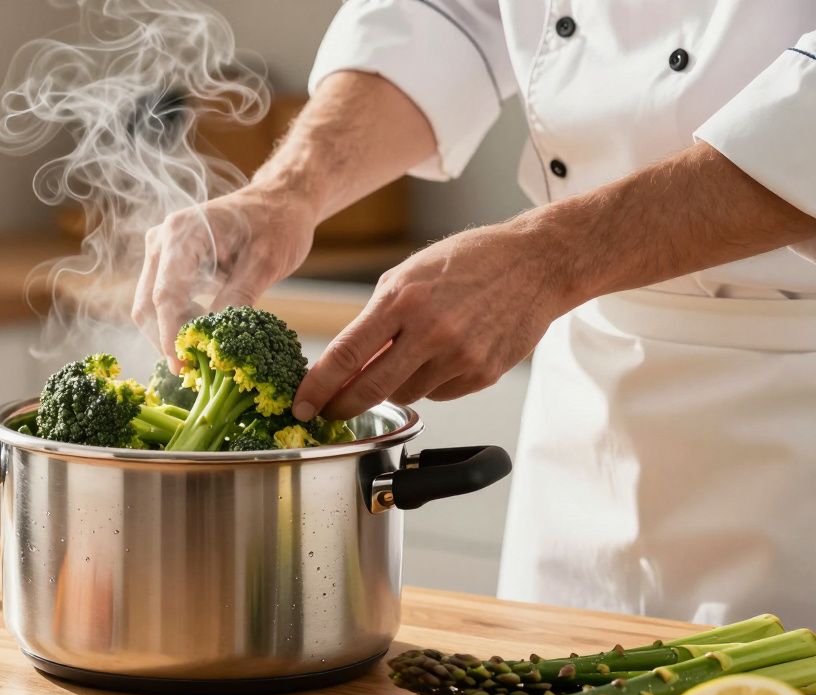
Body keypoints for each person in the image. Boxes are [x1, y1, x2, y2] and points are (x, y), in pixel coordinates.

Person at [132, 1, 816, 626]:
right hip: (585, 396)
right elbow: (441, 15)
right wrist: (288, 189)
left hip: (792, 414)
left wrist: (549, 259)